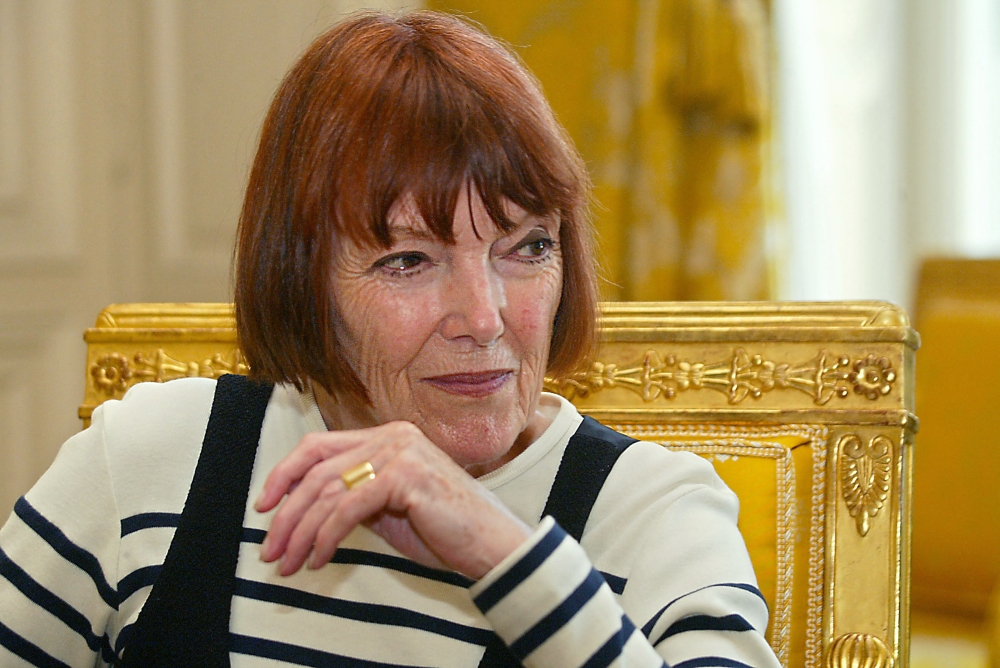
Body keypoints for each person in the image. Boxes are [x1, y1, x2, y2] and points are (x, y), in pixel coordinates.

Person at [0, 11, 780, 668]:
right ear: (302, 276)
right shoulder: (149, 462)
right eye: (409, 259)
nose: (484, 317)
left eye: (528, 247)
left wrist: (496, 547)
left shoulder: (652, 515)